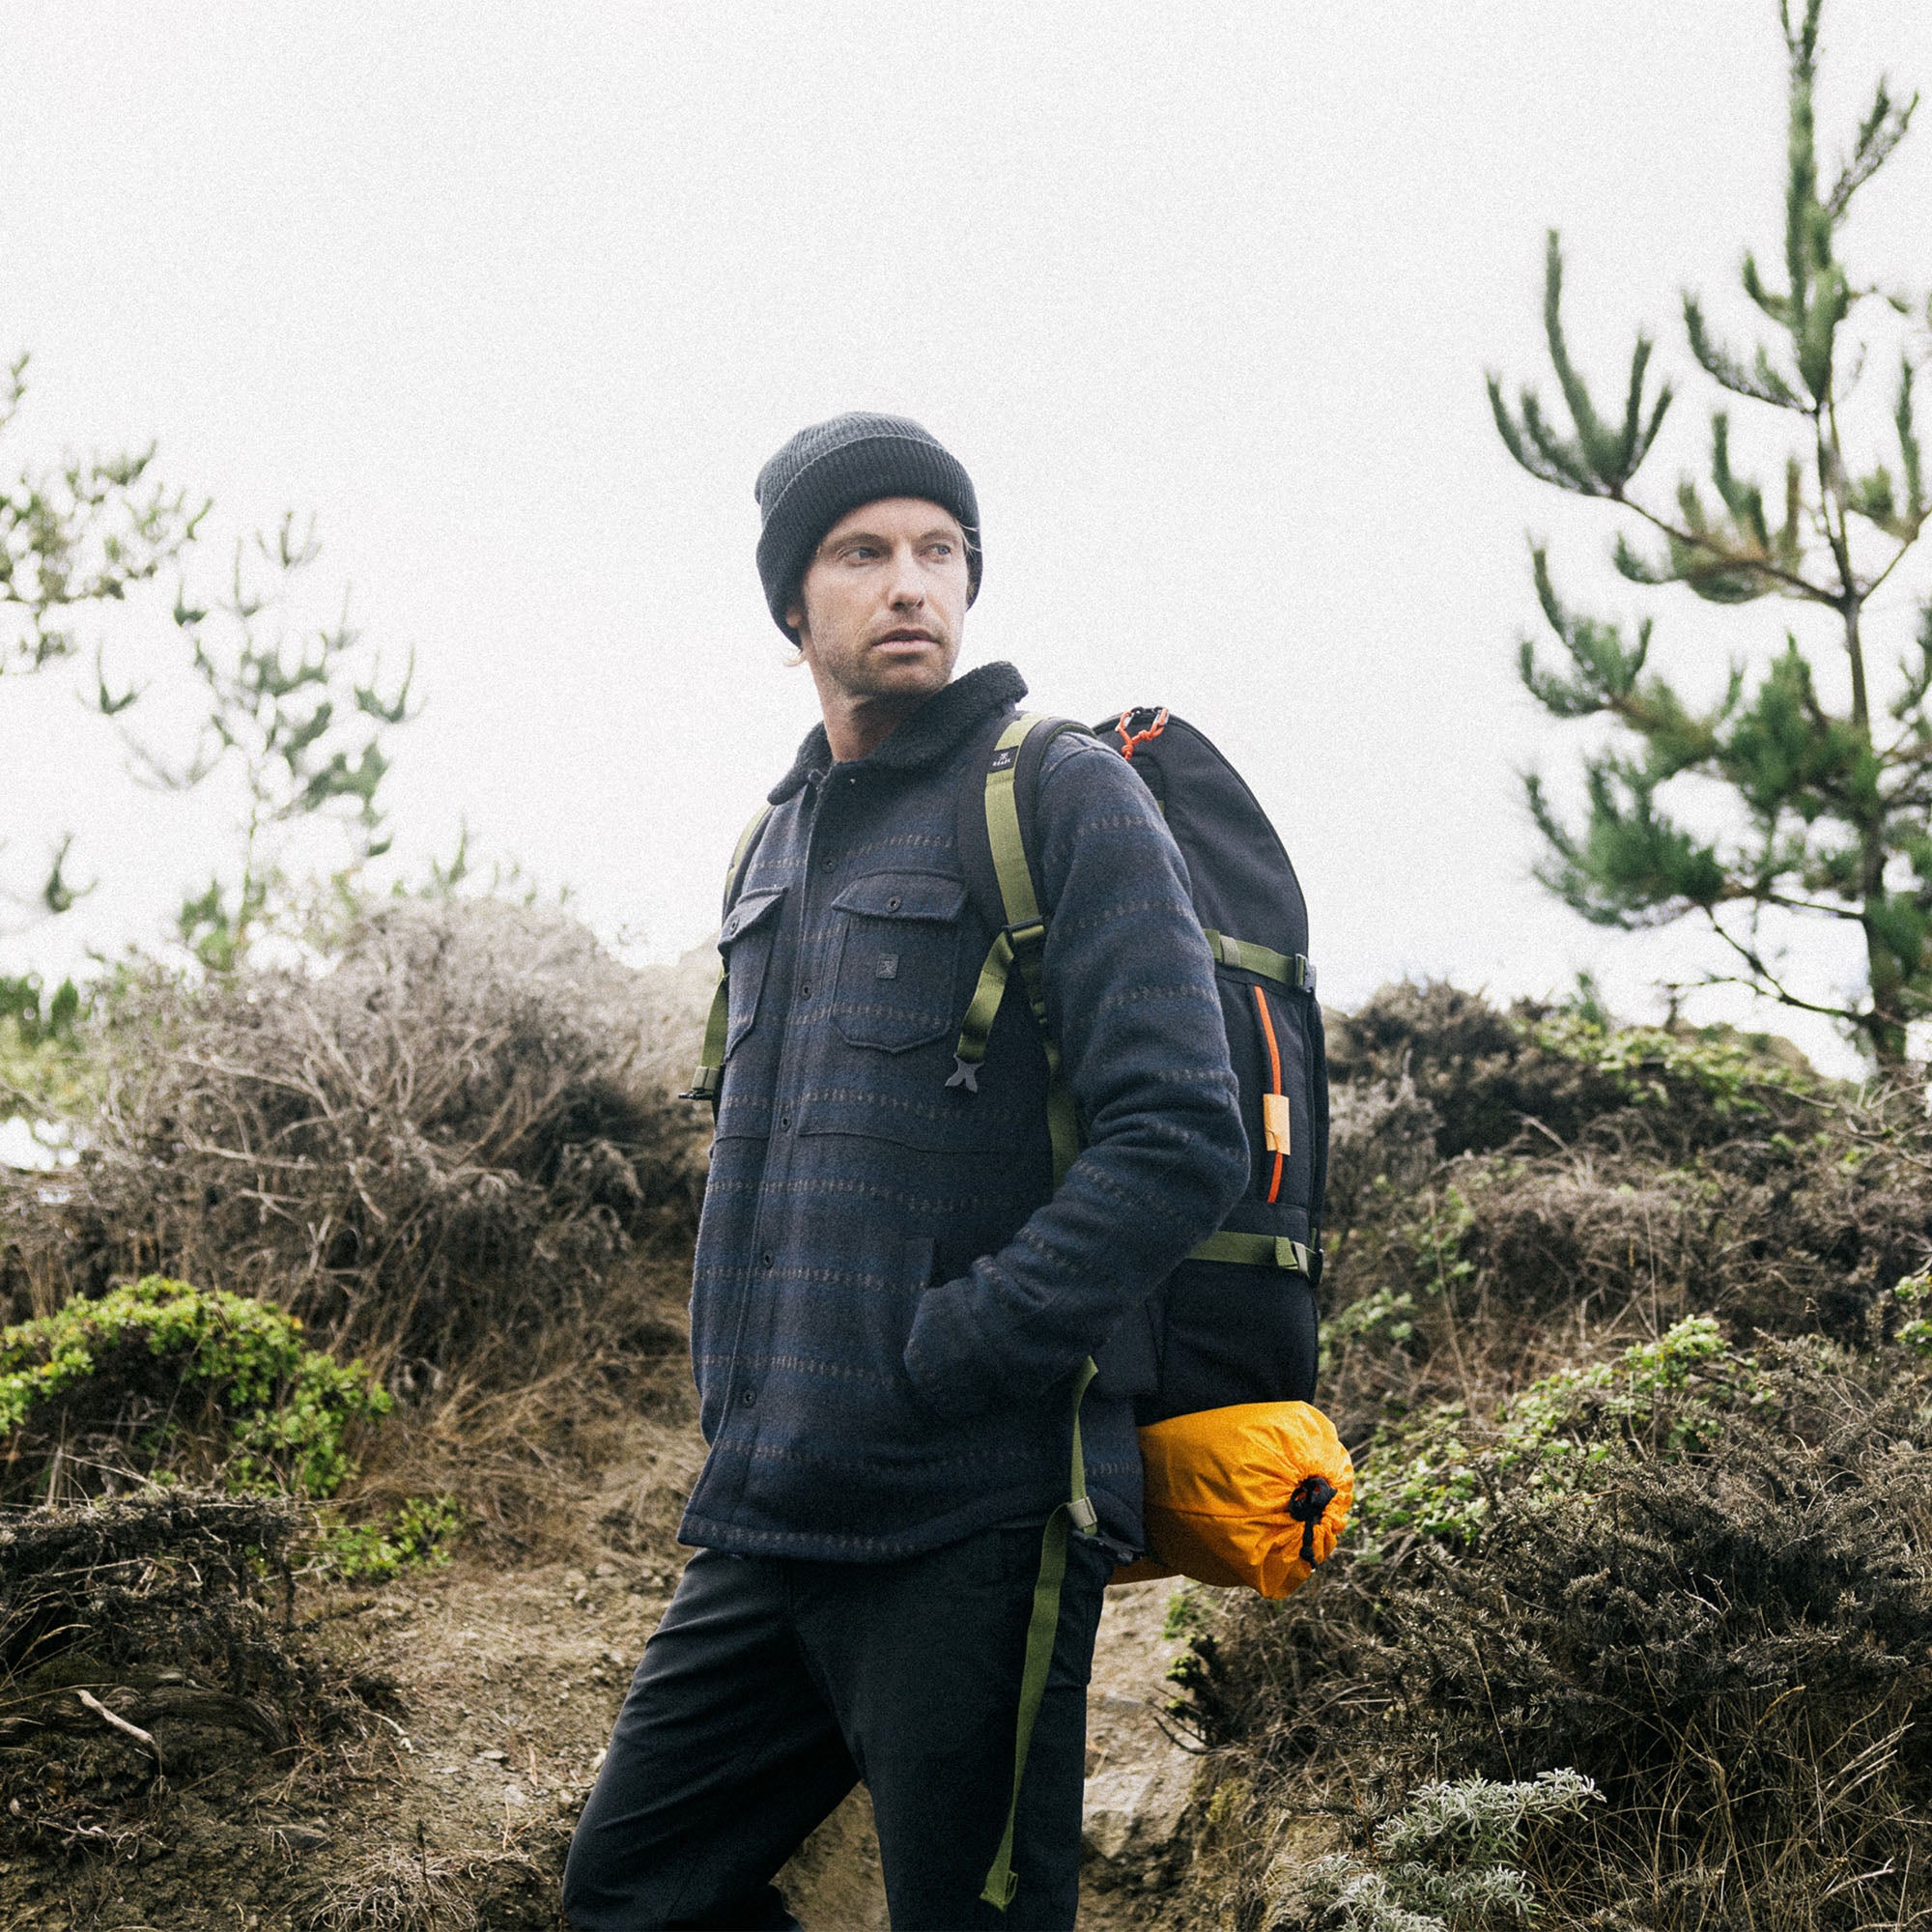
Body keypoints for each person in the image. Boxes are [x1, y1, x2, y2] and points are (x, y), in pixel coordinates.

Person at [561, 412, 1247, 1931]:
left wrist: (951, 1353)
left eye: (940, 551)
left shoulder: (1059, 792)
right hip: (769, 1507)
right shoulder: (771, 846)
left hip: (973, 1515)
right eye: (862, 552)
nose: (911, 582)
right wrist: (740, 1395)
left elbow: (1180, 1135)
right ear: (790, 606)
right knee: (629, 1897)